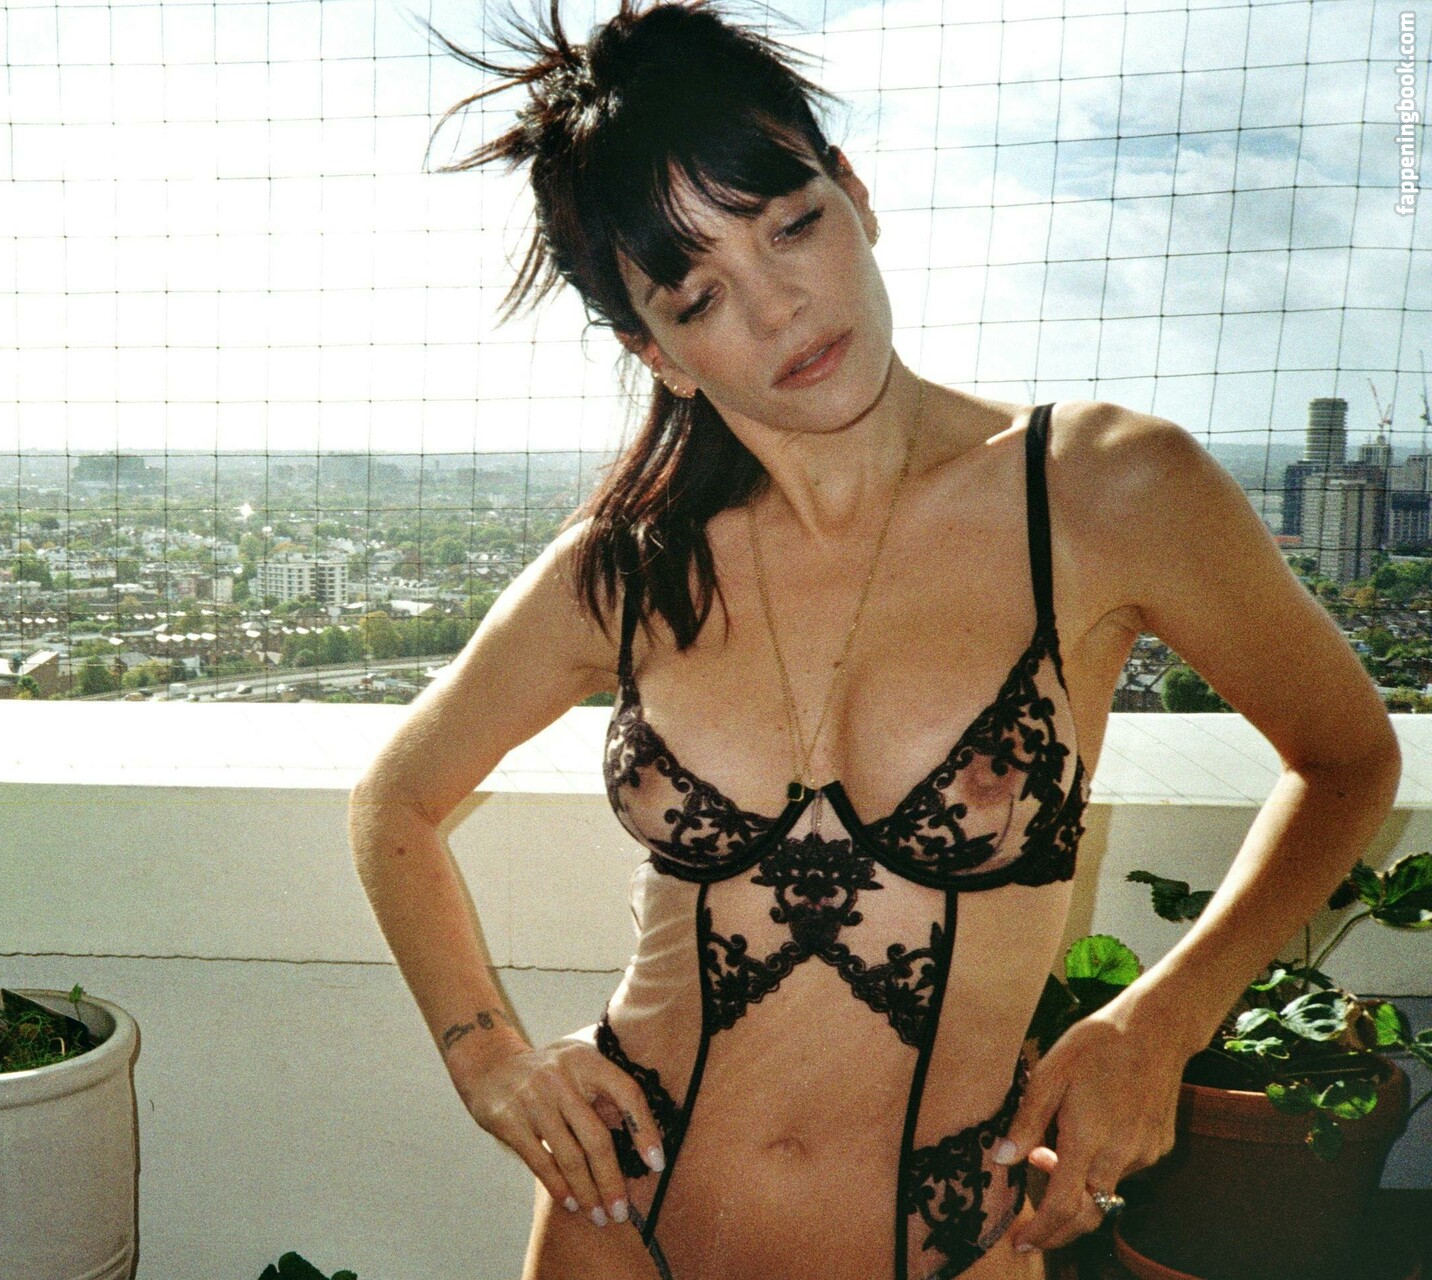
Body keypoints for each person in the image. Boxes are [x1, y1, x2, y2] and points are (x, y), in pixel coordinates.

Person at [346, 3, 1402, 1278]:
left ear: (855, 195)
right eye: (700, 294)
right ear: (655, 351)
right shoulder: (629, 566)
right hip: (618, 1231)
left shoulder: (1099, 490)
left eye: (793, 225)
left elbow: (1348, 756)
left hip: (950, 1243)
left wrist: (1161, 1022)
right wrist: (488, 1059)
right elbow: (396, 798)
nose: (782, 306)